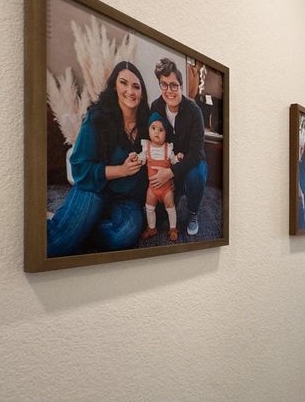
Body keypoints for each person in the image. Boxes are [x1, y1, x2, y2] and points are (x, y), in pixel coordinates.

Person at [47, 61, 149, 257]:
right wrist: (122, 170)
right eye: (123, 83)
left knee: (124, 235)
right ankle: (68, 228)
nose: (130, 90)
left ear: (142, 93)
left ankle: (75, 227)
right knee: (58, 245)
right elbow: (79, 170)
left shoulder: (149, 124)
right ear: (114, 86)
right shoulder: (97, 118)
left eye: (136, 86)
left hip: (126, 199)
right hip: (94, 188)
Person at [149, 58, 207, 237]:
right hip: (167, 162)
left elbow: (196, 153)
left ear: (181, 85)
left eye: (173, 85)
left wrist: (171, 172)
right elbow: (151, 138)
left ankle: (192, 213)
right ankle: (177, 191)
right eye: (164, 85)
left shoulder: (193, 110)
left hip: (192, 163)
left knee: (195, 176)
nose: (169, 91)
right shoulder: (156, 107)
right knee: (159, 218)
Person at [138, 112, 179, 242]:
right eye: (153, 128)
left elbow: (174, 162)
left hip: (167, 189)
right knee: (149, 207)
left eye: (161, 130)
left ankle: (173, 228)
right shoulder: (146, 147)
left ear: (166, 134)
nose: (157, 132)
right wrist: (136, 158)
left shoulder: (168, 149)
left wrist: (178, 158)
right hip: (152, 189)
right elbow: (141, 159)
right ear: (148, 130)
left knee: (170, 207)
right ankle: (152, 228)